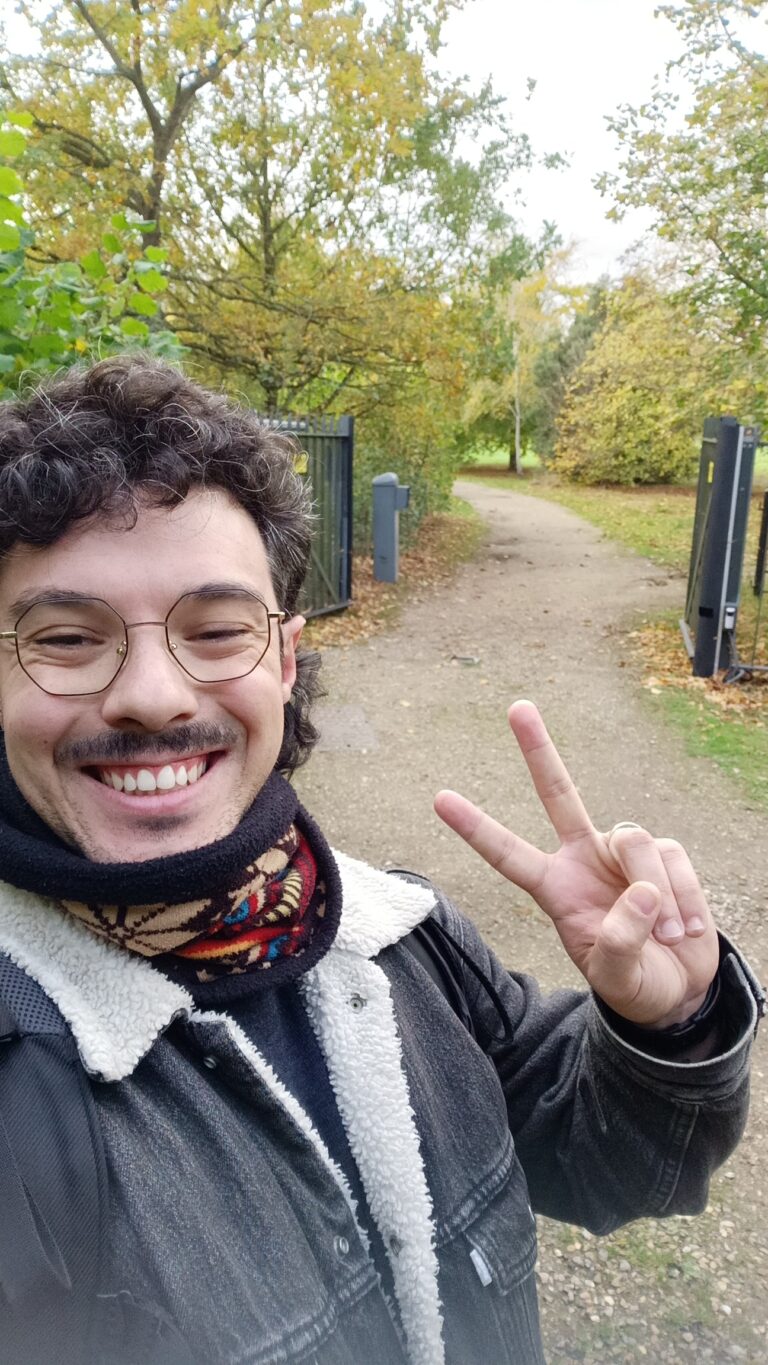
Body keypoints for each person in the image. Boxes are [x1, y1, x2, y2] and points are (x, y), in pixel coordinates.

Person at [0, 355, 762, 1365]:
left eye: (218, 629)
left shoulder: (394, 929)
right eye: (66, 637)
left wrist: (666, 1024)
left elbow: (611, 1165)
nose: (153, 694)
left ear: (281, 658)